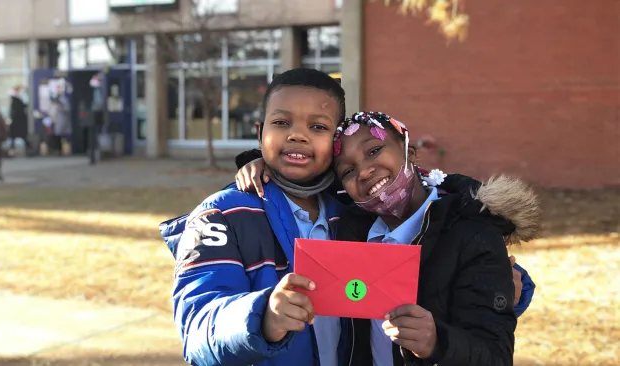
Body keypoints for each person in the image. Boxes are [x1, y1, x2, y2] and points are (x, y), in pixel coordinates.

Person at [235, 112, 538, 365]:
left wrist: (437, 342)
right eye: (348, 170)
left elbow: (495, 354)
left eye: (374, 150)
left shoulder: (471, 235)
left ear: (408, 150)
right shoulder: (352, 232)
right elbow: (307, 180)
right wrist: (264, 165)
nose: (365, 171)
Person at [159, 68, 371, 366]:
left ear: (338, 141)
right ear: (260, 133)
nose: (297, 134)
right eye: (282, 122)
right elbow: (196, 330)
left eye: (318, 127)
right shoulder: (220, 215)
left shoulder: (357, 213)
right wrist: (263, 317)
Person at [8, 86, 31, 154]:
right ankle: (28, 146)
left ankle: (13, 148)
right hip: (19, 122)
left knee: (14, 137)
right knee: (22, 136)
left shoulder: (15, 102)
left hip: (16, 122)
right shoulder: (18, 101)